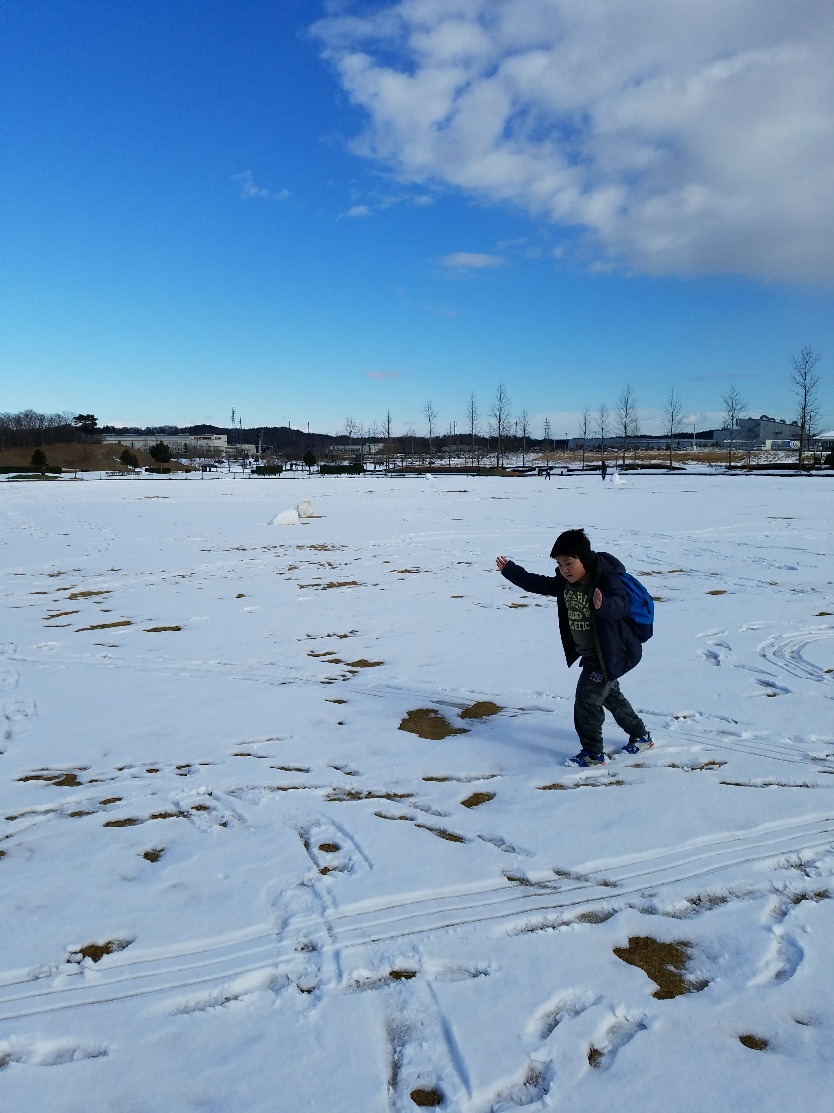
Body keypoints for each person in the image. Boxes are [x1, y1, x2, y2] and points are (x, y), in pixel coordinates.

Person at [495, 528, 652, 768]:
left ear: (585, 559)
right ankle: (641, 736)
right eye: (560, 565)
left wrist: (603, 605)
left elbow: (620, 605)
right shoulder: (565, 584)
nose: (565, 569)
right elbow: (538, 583)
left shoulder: (605, 580)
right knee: (611, 697)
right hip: (592, 655)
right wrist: (510, 571)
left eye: (569, 563)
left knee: (587, 701)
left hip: (611, 654)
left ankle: (593, 754)